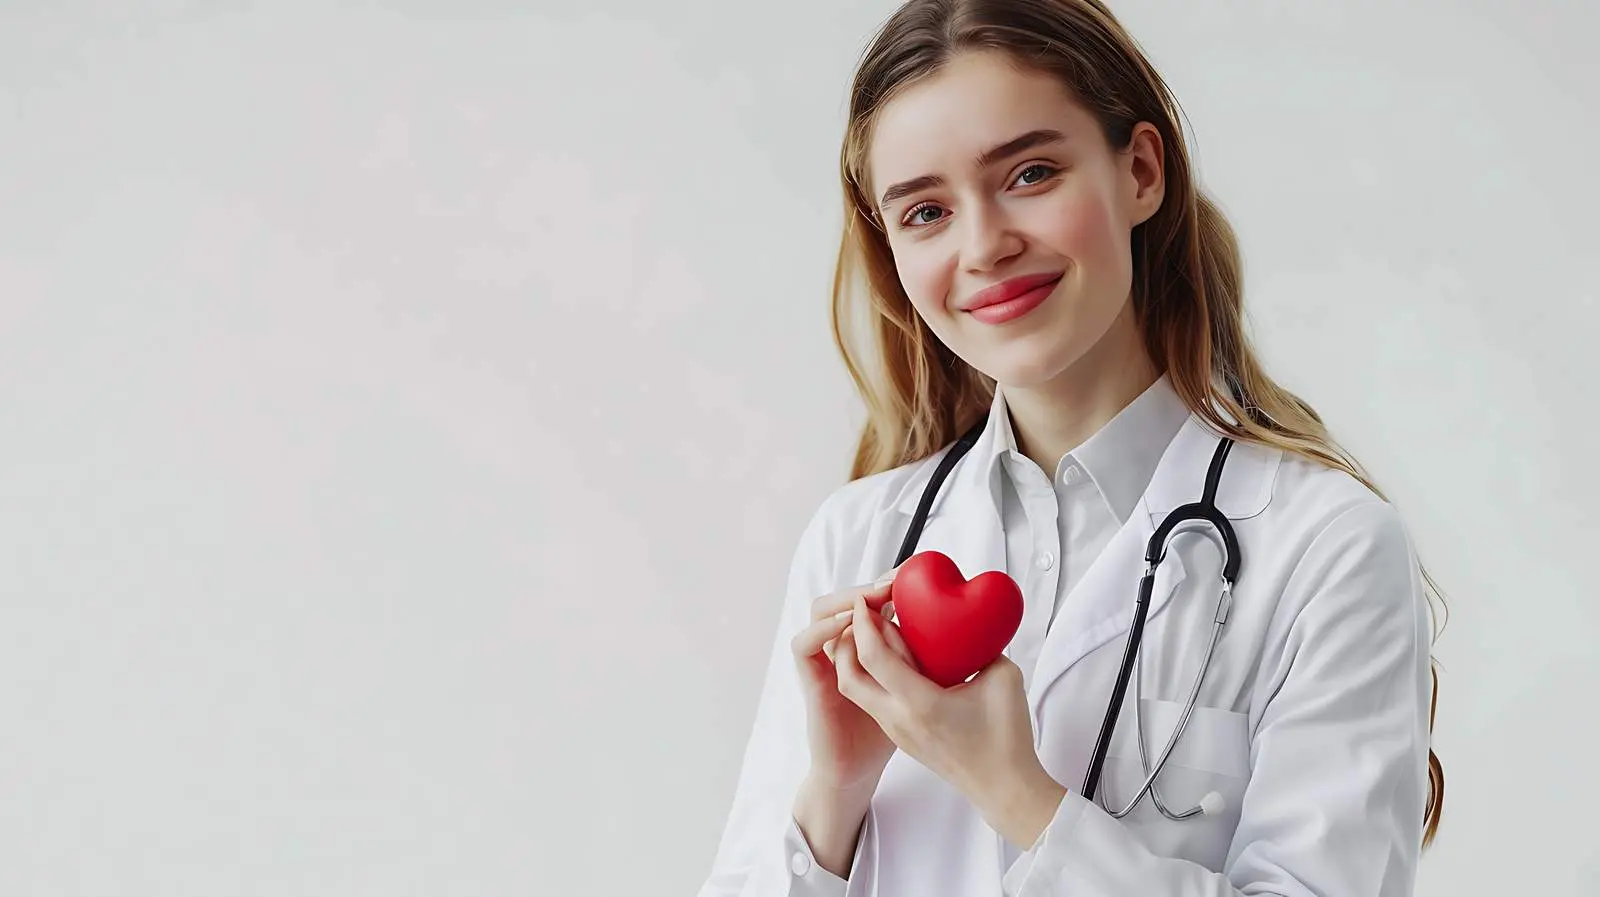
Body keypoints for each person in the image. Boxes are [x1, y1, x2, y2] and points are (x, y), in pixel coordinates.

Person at [698, 1, 1447, 894]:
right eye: (927, 211)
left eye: (1031, 173)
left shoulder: (1327, 546)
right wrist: (838, 790)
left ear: (1139, 171)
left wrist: (1015, 791)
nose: (985, 245)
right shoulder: (856, 536)